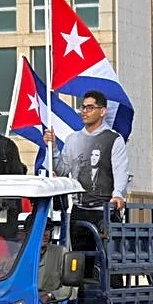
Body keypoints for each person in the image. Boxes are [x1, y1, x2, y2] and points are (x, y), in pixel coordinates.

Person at [44, 90, 129, 230]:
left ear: (102, 111)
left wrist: (118, 194)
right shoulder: (73, 139)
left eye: (90, 108)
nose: (84, 111)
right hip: (79, 210)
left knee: (103, 244)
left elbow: (120, 171)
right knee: (77, 245)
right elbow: (62, 170)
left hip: (104, 211)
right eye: (83, 107)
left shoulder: (114, 139)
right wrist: (52, 147)